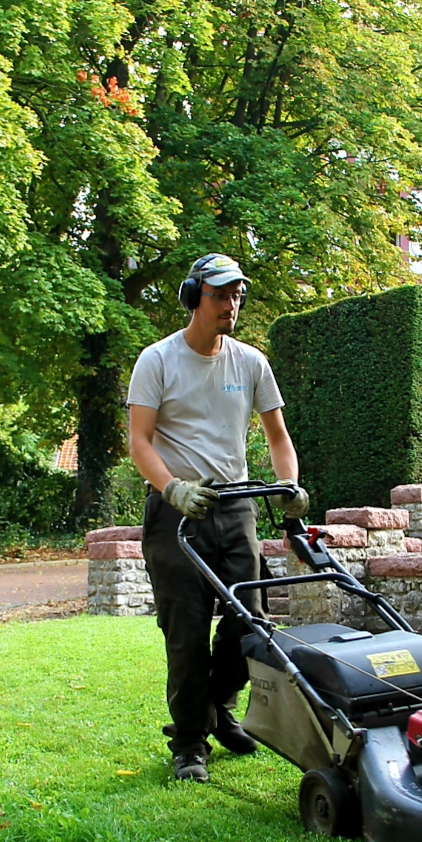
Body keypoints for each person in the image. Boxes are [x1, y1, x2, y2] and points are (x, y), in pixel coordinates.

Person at [127, 253, 309, 782]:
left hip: (235, 509)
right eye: (219, 294)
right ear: (193, 297)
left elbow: (277, 436)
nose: (230, 304)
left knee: (249, 623)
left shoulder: (250, 362)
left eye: (236, 295)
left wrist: (288, 486)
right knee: (184, 632)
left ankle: (220, 708)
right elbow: (139, 442)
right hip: (175, 514)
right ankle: (189, 744)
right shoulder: (157, 360)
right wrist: (174, 488)